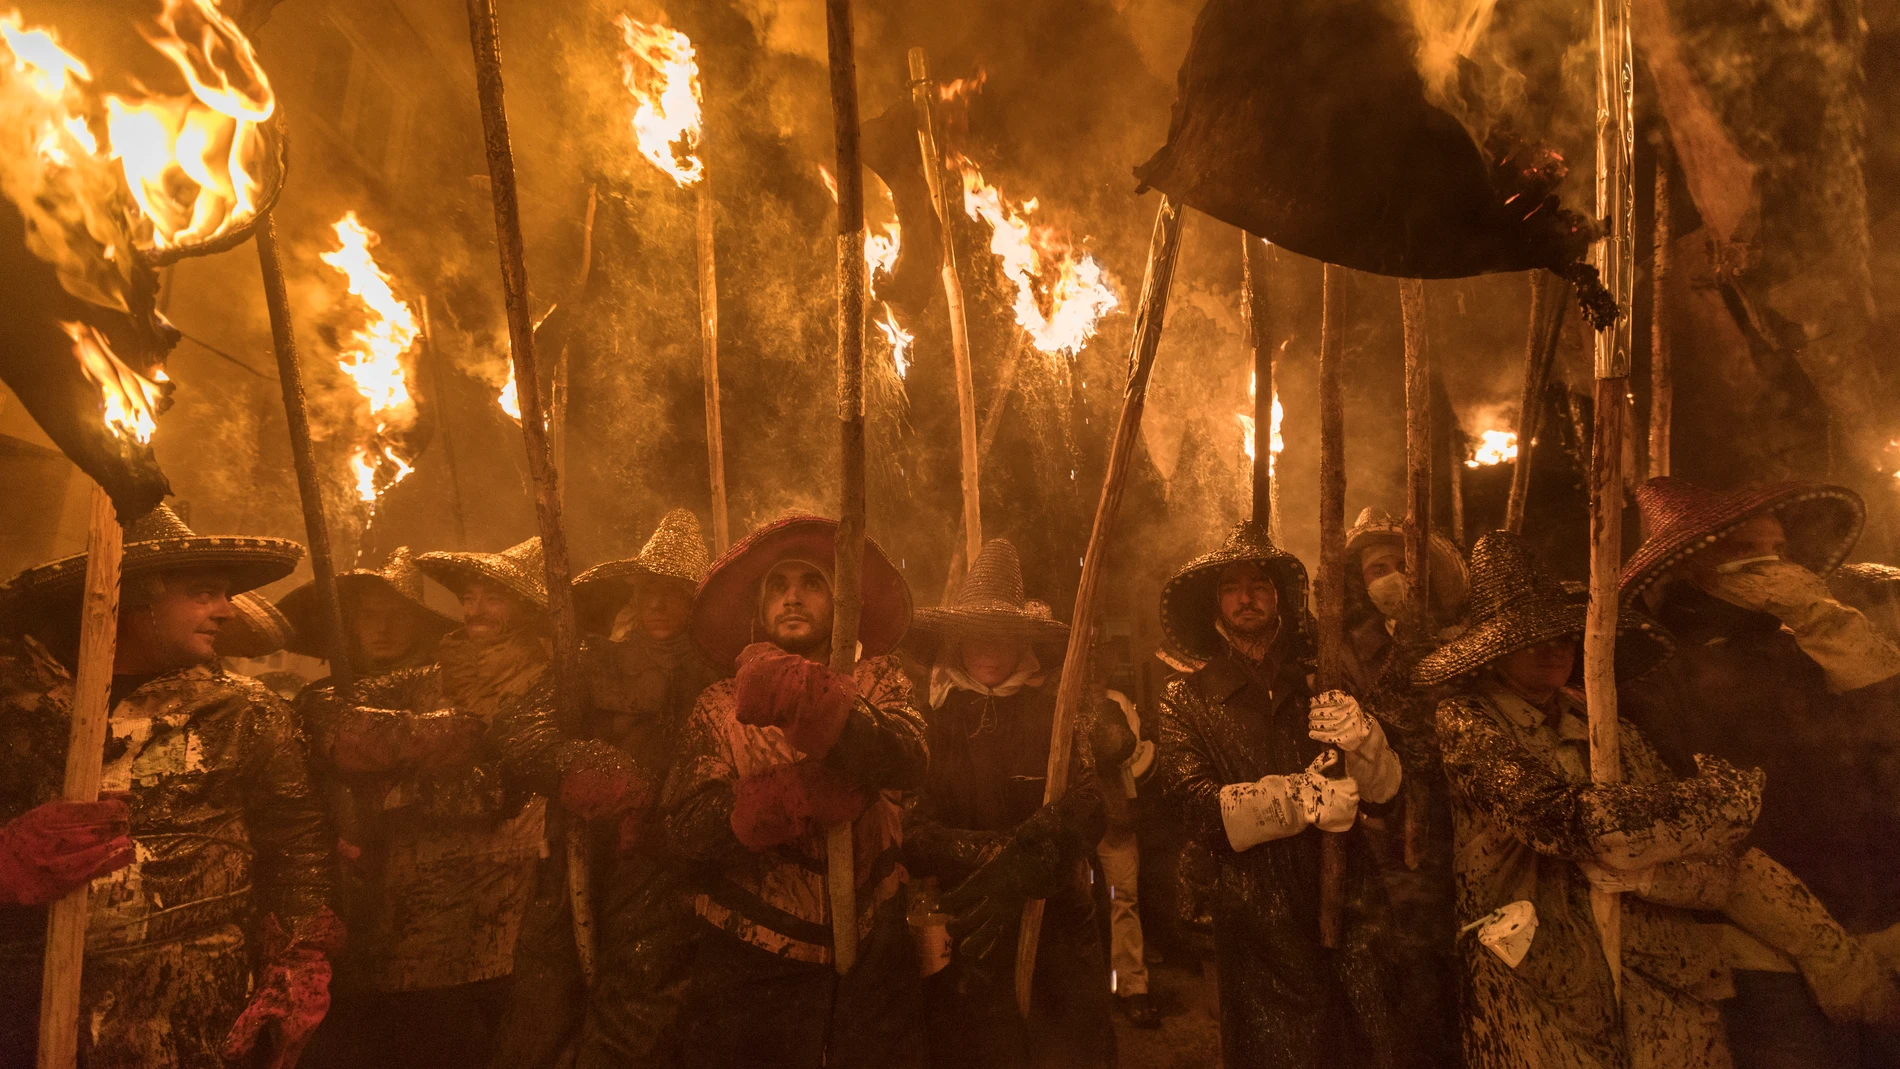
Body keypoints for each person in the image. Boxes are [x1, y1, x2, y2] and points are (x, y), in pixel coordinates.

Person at [1422, 529, 1891, 1069]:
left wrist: (1656, 872)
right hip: (1542, 978)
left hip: (1662, 974)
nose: (1553, 648)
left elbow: (1714, 857)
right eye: (1529, 637)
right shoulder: (1468, 720)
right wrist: (1713, 804)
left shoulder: (1608, 725)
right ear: (1495, 651)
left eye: (1563, 634)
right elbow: (1559, 820)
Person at [0, 503, 338, 1068]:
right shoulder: (17, 702)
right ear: (131, 597)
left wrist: (300, 953)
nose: (227, 611)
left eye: (225, 594)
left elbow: (297, 840)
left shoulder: (245, 711)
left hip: (194, 1015)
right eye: (204, 594)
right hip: (26, 1004)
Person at [1619, 478, 1900, 1067]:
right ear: (1694, 568)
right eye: (1749, 552)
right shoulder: (1660, 678)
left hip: (1876, 920)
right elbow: (1709, 835)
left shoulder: (1801, 645)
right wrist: (1821, 949)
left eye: (1780, 550)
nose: (1775, 567)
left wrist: (1825, 622)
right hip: (1766, 957)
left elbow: (1885, 740)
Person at [661, 515, 928, 1069]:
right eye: (777, 586)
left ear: (841, 602)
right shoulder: (718, 704)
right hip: (749, 959)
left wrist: (815, 699)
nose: (793, 597)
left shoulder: (879, 681)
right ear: (758, 610)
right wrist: (784, 799)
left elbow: (910, 756)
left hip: (871, 954)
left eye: (812, 583)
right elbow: (685, 828)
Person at [1153, 519, 1407, 1069]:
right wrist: (1299, 799)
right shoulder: (1186, 698)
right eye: (1231, 588)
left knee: (1368, 1038)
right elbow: (1194, 806)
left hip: (1349, 895)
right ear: (1215, 603)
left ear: (1279, 598)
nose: (1246, 598)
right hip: (1255, 910)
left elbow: (1385, 796)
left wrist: (1366, 741)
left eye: (1259, 585)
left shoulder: (1326, 678)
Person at [298, 536, 552, 1067]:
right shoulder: (435, 676)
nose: (476, 610)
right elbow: (323, 709)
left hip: (499, 915)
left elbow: (504, 788)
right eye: (469, 597)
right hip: (403, 915)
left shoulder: (550, 682)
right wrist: (413, 738)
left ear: (526, 609)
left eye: (493, 598)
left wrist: (393, 786)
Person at [492, 508, 723, 1068]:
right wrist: (577, 765)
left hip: (666, 870)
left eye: (674, 593)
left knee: (638, 1018)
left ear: (696, 601)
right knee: (543, 1010)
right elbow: (521, 731)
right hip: (575, 857)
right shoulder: (591, 660)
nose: (658, 605)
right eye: (648, 591)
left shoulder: (716, 675)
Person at [901, 538, 1114, 1068]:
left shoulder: (1056, 712)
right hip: (967, 927)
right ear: (955, 642)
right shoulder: (933, 718)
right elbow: (914, 829)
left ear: (1024, 643)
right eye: (977, 635)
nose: (990, 650)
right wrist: (999, 856)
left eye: (1003, 636)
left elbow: (1091, 806)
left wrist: (1038, 853)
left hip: (1056, 927)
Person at [1339, 507, 1469, 1066]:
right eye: (1377, 569)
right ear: (1361, 583)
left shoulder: (1463, 639)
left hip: (1472, 820)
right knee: (1411, 961)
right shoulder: (1348, 653)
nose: (1392, 577)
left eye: (1401, 564)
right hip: (1394, 832)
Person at [277, 546, 455, 676]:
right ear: (354, 623)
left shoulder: (448, 691)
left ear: (417, 623)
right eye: (370, 615)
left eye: (398, 615)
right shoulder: (320, 700)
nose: (383, 628)